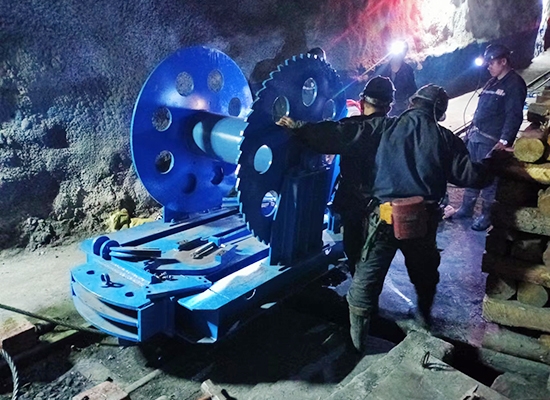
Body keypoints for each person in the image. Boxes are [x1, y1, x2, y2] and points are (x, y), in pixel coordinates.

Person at [277, 84, 494, 352]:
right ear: (439, 112)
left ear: (412, 104)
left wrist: (298, 127)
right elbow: (470, 175)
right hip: (422, 221)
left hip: (384, 217)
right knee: (424, 273)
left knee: (366, 280)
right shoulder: (445, 138)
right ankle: (424, 319)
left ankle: (357, 345)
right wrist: (494, 163)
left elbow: (340, 134)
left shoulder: (384, 127)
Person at [452, 44, 527, 231]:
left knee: (490, 179)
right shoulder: (492, 82)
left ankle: (487, 215)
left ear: (503, 61)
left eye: (492, 63)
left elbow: (514, 115)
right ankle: (466, 208)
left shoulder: (514, 84)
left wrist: (505, 140)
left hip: (492, 141)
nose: (488, 66)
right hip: (477, 137)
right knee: (473, 173)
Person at [332, 76, 395, 275]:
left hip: (352, 201)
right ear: (389, 107)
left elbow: (319, 137)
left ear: (361, 102)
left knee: (353, 245)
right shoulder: (397, 130)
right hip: (384, 203)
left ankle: (356, 276)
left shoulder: (349, 127)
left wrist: (296, 127)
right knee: (377, 250)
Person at [374, 41, 417, 116]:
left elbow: (412, 89)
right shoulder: (381, 68)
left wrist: (407, 103)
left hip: (401, 109)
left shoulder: (408, 70)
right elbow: (374, 87)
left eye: (403, 51)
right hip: (383, 107)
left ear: (405, 53)